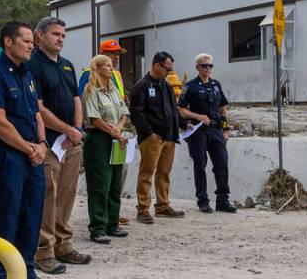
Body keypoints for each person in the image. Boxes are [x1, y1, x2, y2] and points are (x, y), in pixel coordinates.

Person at [0, 21, 58, 279]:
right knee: (6, 217)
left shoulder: (27, 75)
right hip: (6, 156)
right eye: (25, 41)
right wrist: (28, 148)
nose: (31, 45)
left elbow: (36, 114)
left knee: (32, 215)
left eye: (31, 42)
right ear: (7, 42)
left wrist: (41, 145)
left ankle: (25, 272)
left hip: (31, 154)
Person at [26, 16, 90, 270]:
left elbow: (76, 98)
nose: (60, 39)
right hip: (50, 143)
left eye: (63, 35)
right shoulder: (33, 65)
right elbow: (38, 108)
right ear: (39, 36)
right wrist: (66, 131)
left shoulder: (66, 65)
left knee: (66, 194)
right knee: (47, 197)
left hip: (70, 142)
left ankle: (64, 245)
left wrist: (76, 130)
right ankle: (44, 251)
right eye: (55, 34)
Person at [129, 51, 184, 224]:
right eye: (167, 69)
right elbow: (136, 113)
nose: (169, 72)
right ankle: (143, 209)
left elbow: (173, 109)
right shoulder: (141, 86)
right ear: (156, 65)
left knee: (164, 173)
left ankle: (162, 206)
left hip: (169, 137)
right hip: (152, 138)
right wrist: (148, 133)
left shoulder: (166, 86)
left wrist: (183, 124)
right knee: (147, 173)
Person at [79, 38, 129, 225]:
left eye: (117, 55)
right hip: (99, 136)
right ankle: (99, 224)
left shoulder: (116, 78)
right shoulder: (88, 78)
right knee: (100, 183)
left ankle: (112, 220)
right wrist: (112, 131)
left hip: (116, 136)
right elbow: (89, 113)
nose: (115, 58)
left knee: (116, 182)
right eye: (111, 54)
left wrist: (118, 129)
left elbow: (124, 109)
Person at [178, 53, 235, 213]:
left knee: (222, 164)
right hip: (198, 131)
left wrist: (225, 129)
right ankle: (203, 200)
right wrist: (198, 117)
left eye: (210, 66)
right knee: (200, 165)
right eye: (204, 66)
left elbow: (223, 108)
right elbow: (181, 109)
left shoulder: (216, 84)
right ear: (198, 67)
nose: (208, 68)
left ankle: (223, 200)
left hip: (216, 130)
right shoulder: (190, 86)